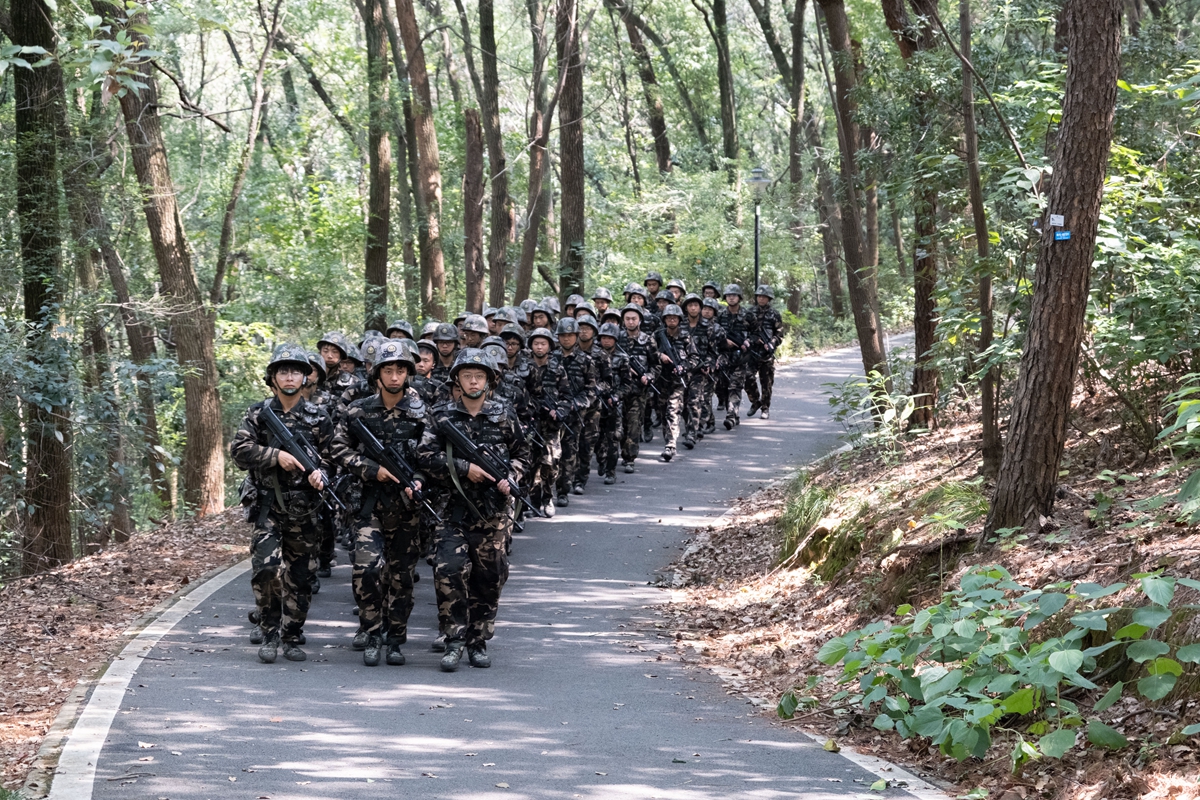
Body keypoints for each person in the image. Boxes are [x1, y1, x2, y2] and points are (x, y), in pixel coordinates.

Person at [417, 349, 530, 671]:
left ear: (490, 381)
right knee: (448, 570)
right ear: (457, 380)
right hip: (451, 509)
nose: (473, 381)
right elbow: (423, 456)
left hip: (492, 514)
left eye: (479, 375)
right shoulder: (441, 416)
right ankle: (453, 639)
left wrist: (512, 476)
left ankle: (477, 640)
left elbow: (523, 453)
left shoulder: (503, 414)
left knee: (489, 577)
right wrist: (462, 468)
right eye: (467, 375)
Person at [231, 344, 334, 664]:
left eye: (296, 371)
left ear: (306, 377)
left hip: (305, 510)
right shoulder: (259, 414)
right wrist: (276, 456)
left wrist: (322, 476)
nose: (290, 376)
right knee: (266, 569)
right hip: (268, 508)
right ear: (272, 378)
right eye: (283, 371)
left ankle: (291, 634)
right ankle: (270, 630)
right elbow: (239, 452)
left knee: (301, 576)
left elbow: (334, 459)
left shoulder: (319, 418)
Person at [330, 341, 429, 667]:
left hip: (406, 508)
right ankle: (371, 632)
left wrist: (418, 480)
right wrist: (373, 470)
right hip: (367, 505)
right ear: (377, 374)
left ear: (408, 374)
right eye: (389, 369)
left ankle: (395, 637)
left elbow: (432, 457)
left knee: (401, 576)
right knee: (367, 569)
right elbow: (338, 450)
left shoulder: (421, 413)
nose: (395, 375)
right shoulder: (357, 410)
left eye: (401, 369)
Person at [526, 327, 571, 515]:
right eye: (536, 343)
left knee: (551, 463)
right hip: (530, 423)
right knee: (531, 464)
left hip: (551, 426)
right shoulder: (525, 368)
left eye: (543, 343)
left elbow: (567, 396)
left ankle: (548, 497)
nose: (539, 347)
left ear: (549, 346)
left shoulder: (557, 369)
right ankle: (534, 502)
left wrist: (559, 410)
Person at [553, 317, 597, 502]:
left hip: (577, 413)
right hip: (553, 412)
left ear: (577, 336)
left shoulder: (586, 361)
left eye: (570, 335)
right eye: (563, 335)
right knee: (552, 453)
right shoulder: (551, 358)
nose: (566, 339)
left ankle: (565, 489)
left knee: (574, 450)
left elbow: (591, 389)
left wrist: (577, 404)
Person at [616, 304, 658, 474]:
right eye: (627, 319)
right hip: (618, 389)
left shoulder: (648, 340)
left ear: (640, 320)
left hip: (638, 391)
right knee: (619, 425)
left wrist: (649, 376)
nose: (631, 322)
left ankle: (629, 458)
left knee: (633, 423)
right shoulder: (617, 339)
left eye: (634, 318)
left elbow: (656, 365)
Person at [654, 304, 698, 461]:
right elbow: (649, 352)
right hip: (661, 380)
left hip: (679, 381)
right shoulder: (658, 335)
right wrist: (660, 356)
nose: (671, 320)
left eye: (674, 318)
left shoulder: (686, 337)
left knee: (673, 410)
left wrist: (683, 367)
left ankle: (671, 445)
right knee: (662, 410)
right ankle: (669, 439)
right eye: (668, 318)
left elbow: (694, 358)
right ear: (664, 319)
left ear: (679, 320)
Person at [681, 293, 722, 448]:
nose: (693, 308)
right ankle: (691, 427)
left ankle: (692, 433)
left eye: (696, 305)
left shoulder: (708, 327)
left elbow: (714, 351)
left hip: (700, 371)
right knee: (684, 403)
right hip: (684, 369)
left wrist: (709, 365)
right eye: (690, 305)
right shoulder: (680, 326)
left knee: (694, 401)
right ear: (686, 308)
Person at [745, 285, 784, 421]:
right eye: (759, 296)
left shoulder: (774, 314)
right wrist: (753, 339)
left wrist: (772, 342)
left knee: (766, 383)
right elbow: (744, 330)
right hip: (752, 353)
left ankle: (765, 408)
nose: (761, 298)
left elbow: (780, 334)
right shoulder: (750, 313)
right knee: (747, 377)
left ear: (769, 298)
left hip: (766, 355)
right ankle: (755, 401)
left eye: (764, 297)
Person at [716, 283, 753, 430]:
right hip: (724, 355)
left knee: (735, 386)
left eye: (734, 295)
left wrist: (748, 341)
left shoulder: (748, 315)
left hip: (741, 356)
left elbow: (756, 333)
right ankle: (733, 413)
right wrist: (724, 342)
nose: (731, 298)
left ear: (739, 297)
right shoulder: (720, 315)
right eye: (729, 295)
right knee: (723, 386)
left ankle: (731, 415)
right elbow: (713, 334)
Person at [596, 322, 628, 484]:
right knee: (596, 438)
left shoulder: (622, 359)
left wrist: (617, 396)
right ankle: (601, 461)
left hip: (614, 404)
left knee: (613, 438)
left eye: (610, 338)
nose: (606, 341)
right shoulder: (594, 356)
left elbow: (627, 384)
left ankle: (611, 471)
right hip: (596, 404)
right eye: (604, 338)